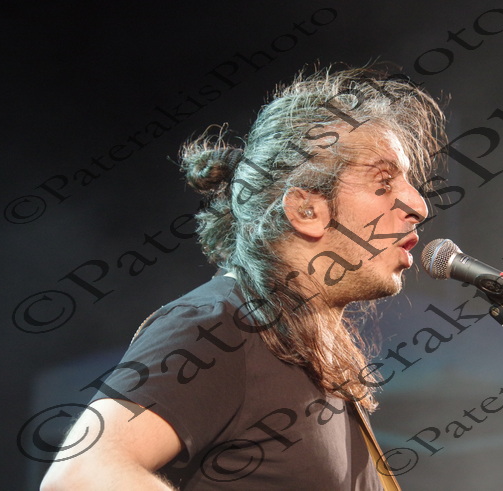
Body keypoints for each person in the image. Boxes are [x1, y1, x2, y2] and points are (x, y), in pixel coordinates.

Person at [40, 66, 446, 490]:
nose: (418, 205)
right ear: (306, 210)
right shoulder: (218, 328)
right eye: (383, 182)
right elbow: (80, 478)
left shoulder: (304, 355)